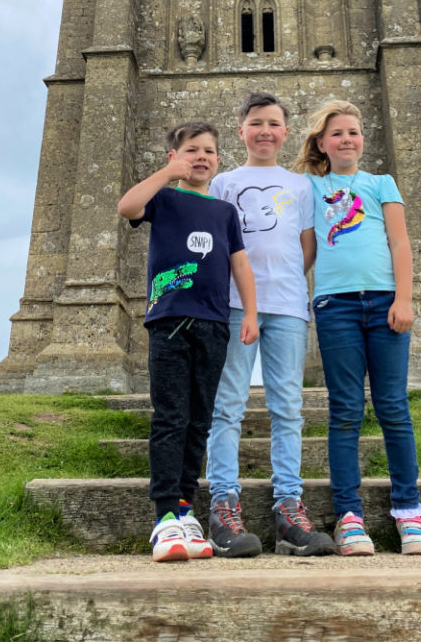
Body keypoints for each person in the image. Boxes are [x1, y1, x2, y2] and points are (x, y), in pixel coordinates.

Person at [293, 100, 421, 557]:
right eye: (337, 134)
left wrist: (405, 298)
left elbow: (399, 241)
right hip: (335, 307)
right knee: (346, 410)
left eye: (353, 132)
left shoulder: (380, 183)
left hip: (384, 304)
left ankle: (409, 513)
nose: (346, 139)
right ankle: (349, 517)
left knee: (393, 407)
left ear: (362, 139)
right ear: (321, 143)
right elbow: (307, 251)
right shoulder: (311, 189)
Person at [118, 121, 258, 562]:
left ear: (219, 160)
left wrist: (250, 313)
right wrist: (167, 173)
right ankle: (163, 518)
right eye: (191, 150)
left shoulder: (223, 212)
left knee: (199, 420)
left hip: (214, 324)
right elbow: (127, 207)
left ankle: (184, 508)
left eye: (209, 151)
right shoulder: (164, 198)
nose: (201, 157)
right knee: (171, 416)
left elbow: (241, 266)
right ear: (174, 156)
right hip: (170, 321)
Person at [206, 92, 335, 557]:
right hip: (234, 306)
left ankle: (289, 509)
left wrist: (280, 285)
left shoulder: (299, 186)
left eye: (274, 123)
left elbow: (307, 246)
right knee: (228, 405)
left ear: (285, 131)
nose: (265, 131)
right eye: (256, 123)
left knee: (288, 408)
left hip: (287, 307)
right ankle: (222, 505)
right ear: (241, 130)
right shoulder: (224, 182)